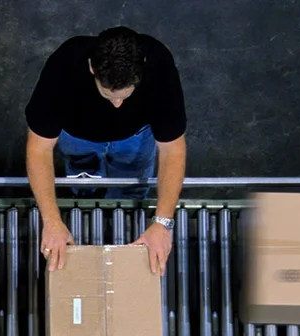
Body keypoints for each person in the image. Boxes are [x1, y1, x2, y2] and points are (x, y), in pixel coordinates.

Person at [25, 26, 188, 275]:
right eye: (108, 94)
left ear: (142, 66)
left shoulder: (158, 63)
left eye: (125, 96)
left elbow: (172, 151)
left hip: (136, 138)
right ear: (92, 67)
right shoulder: (64, 64)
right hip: (78, 138)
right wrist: (52, 221)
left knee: (132, 184)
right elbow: (39, 148)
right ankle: (84, 197)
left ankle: (127, 207)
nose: (117, 104)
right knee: (82, 177)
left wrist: (162, 223)